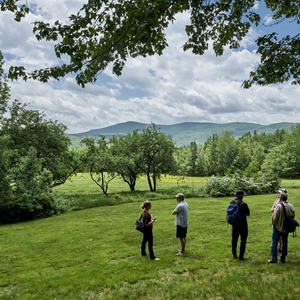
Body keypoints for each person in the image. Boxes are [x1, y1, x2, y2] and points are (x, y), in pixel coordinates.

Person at [268, 192, 295, 263]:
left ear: (280, 198)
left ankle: (274, 258)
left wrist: (273, 224)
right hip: (286, 227)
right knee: (285, 241)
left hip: (278, 227)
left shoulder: (279, 206)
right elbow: (292, 216)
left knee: (274, 241)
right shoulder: (291, 206)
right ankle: (283, 258)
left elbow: (274, 217)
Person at [230, 190, 250, 260]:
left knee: (234, 239)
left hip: (234, 224)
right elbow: (248, 213)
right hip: (242, 225)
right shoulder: (243, 204)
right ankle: (241, 256)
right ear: (241, 196)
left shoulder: (232, 202)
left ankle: (234, 254)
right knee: (243, 240)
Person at [270, 188, 287, 252]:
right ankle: (280, 246)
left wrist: (276, 208)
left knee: (280, 236)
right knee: (278, 236)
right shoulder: (276, 201)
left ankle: (281, 247)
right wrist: (275, 209)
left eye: (279, 193)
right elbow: (271, 209)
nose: (278, 194)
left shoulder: (285, 203)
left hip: (282, 221)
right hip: (276, 221)